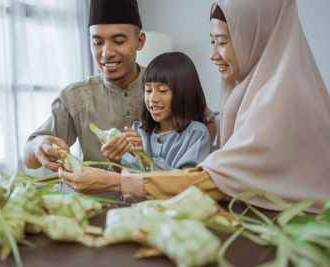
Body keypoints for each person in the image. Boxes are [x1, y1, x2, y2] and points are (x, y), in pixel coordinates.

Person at [59, 0, 330, 212]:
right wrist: (118, 165)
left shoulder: (281, 101)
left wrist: (113, 181)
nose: (212, 54)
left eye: (222, 42)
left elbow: (212, 181)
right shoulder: (247, 91)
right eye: (213, 41)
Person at [23, 0, 217, 172]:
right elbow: (29, 158)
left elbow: (206, 124)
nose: (107, 53)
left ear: (139, 41)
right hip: (98, 202)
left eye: (118, 41)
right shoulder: (74, 97)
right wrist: (38, 145)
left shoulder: (166, 83)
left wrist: (178, 159)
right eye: (97, 42)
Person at [102, 52, 212, 171]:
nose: (152, 99)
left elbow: (187, 182)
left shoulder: (196, 134)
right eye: (148, 90)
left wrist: (145, 160)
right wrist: (114, 160)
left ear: (184, 93)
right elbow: (120, 183)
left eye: (162, 90)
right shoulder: (138, 131)